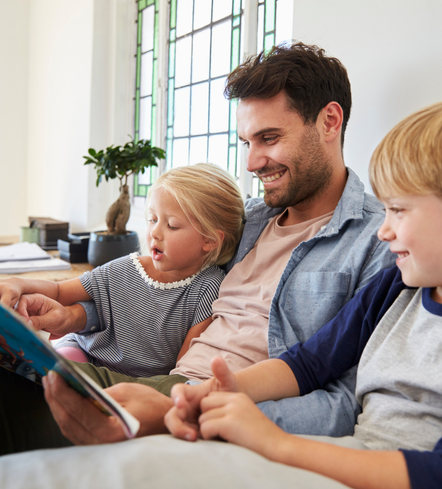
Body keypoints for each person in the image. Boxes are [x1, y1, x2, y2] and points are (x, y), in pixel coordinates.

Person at [0, 42, 395, 454]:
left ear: (330, 121)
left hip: (203, 409)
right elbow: (154, 284)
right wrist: (54, 302)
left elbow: (347, 402)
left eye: (270, 137)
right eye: (246, 142)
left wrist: (197, 415)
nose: (252, 162)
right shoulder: (246, 221)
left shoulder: (378, 242)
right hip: (168, 384)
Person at [165, 98, 442, 489]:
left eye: (399, 211)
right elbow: (308, 364)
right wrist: (221, 391)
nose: (383, 230)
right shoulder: (397, 288)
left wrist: (275, 444)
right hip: (344, 461)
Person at [0, 163, 245, 378]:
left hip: (138, 383)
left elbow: (184, 367)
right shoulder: (128, 268)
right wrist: (17, 284)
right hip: (84, 355)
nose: (155, 233)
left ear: (210, 241)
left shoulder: (209, 287)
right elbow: (58, 291)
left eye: (171, 225)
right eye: (152, 219)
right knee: (53, 373)